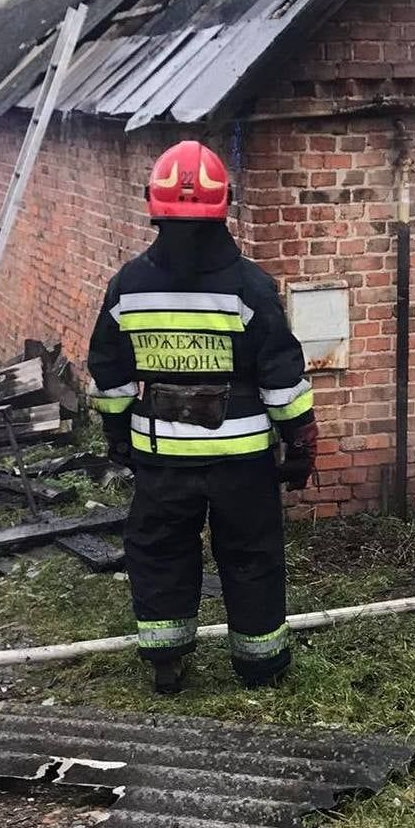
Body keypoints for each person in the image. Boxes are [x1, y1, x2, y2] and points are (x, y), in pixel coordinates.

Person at [87, 140, 318, 695]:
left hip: (161, 455)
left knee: (161, 552)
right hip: (242, 459)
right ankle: (260, 667)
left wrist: (118, 433)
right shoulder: (250, 286)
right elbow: (281, 372)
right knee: (251, 555)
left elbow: (110, 369)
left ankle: (167, 662)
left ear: (153, 204)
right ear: (227, 202)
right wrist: (300, 440)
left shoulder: (128, 286)